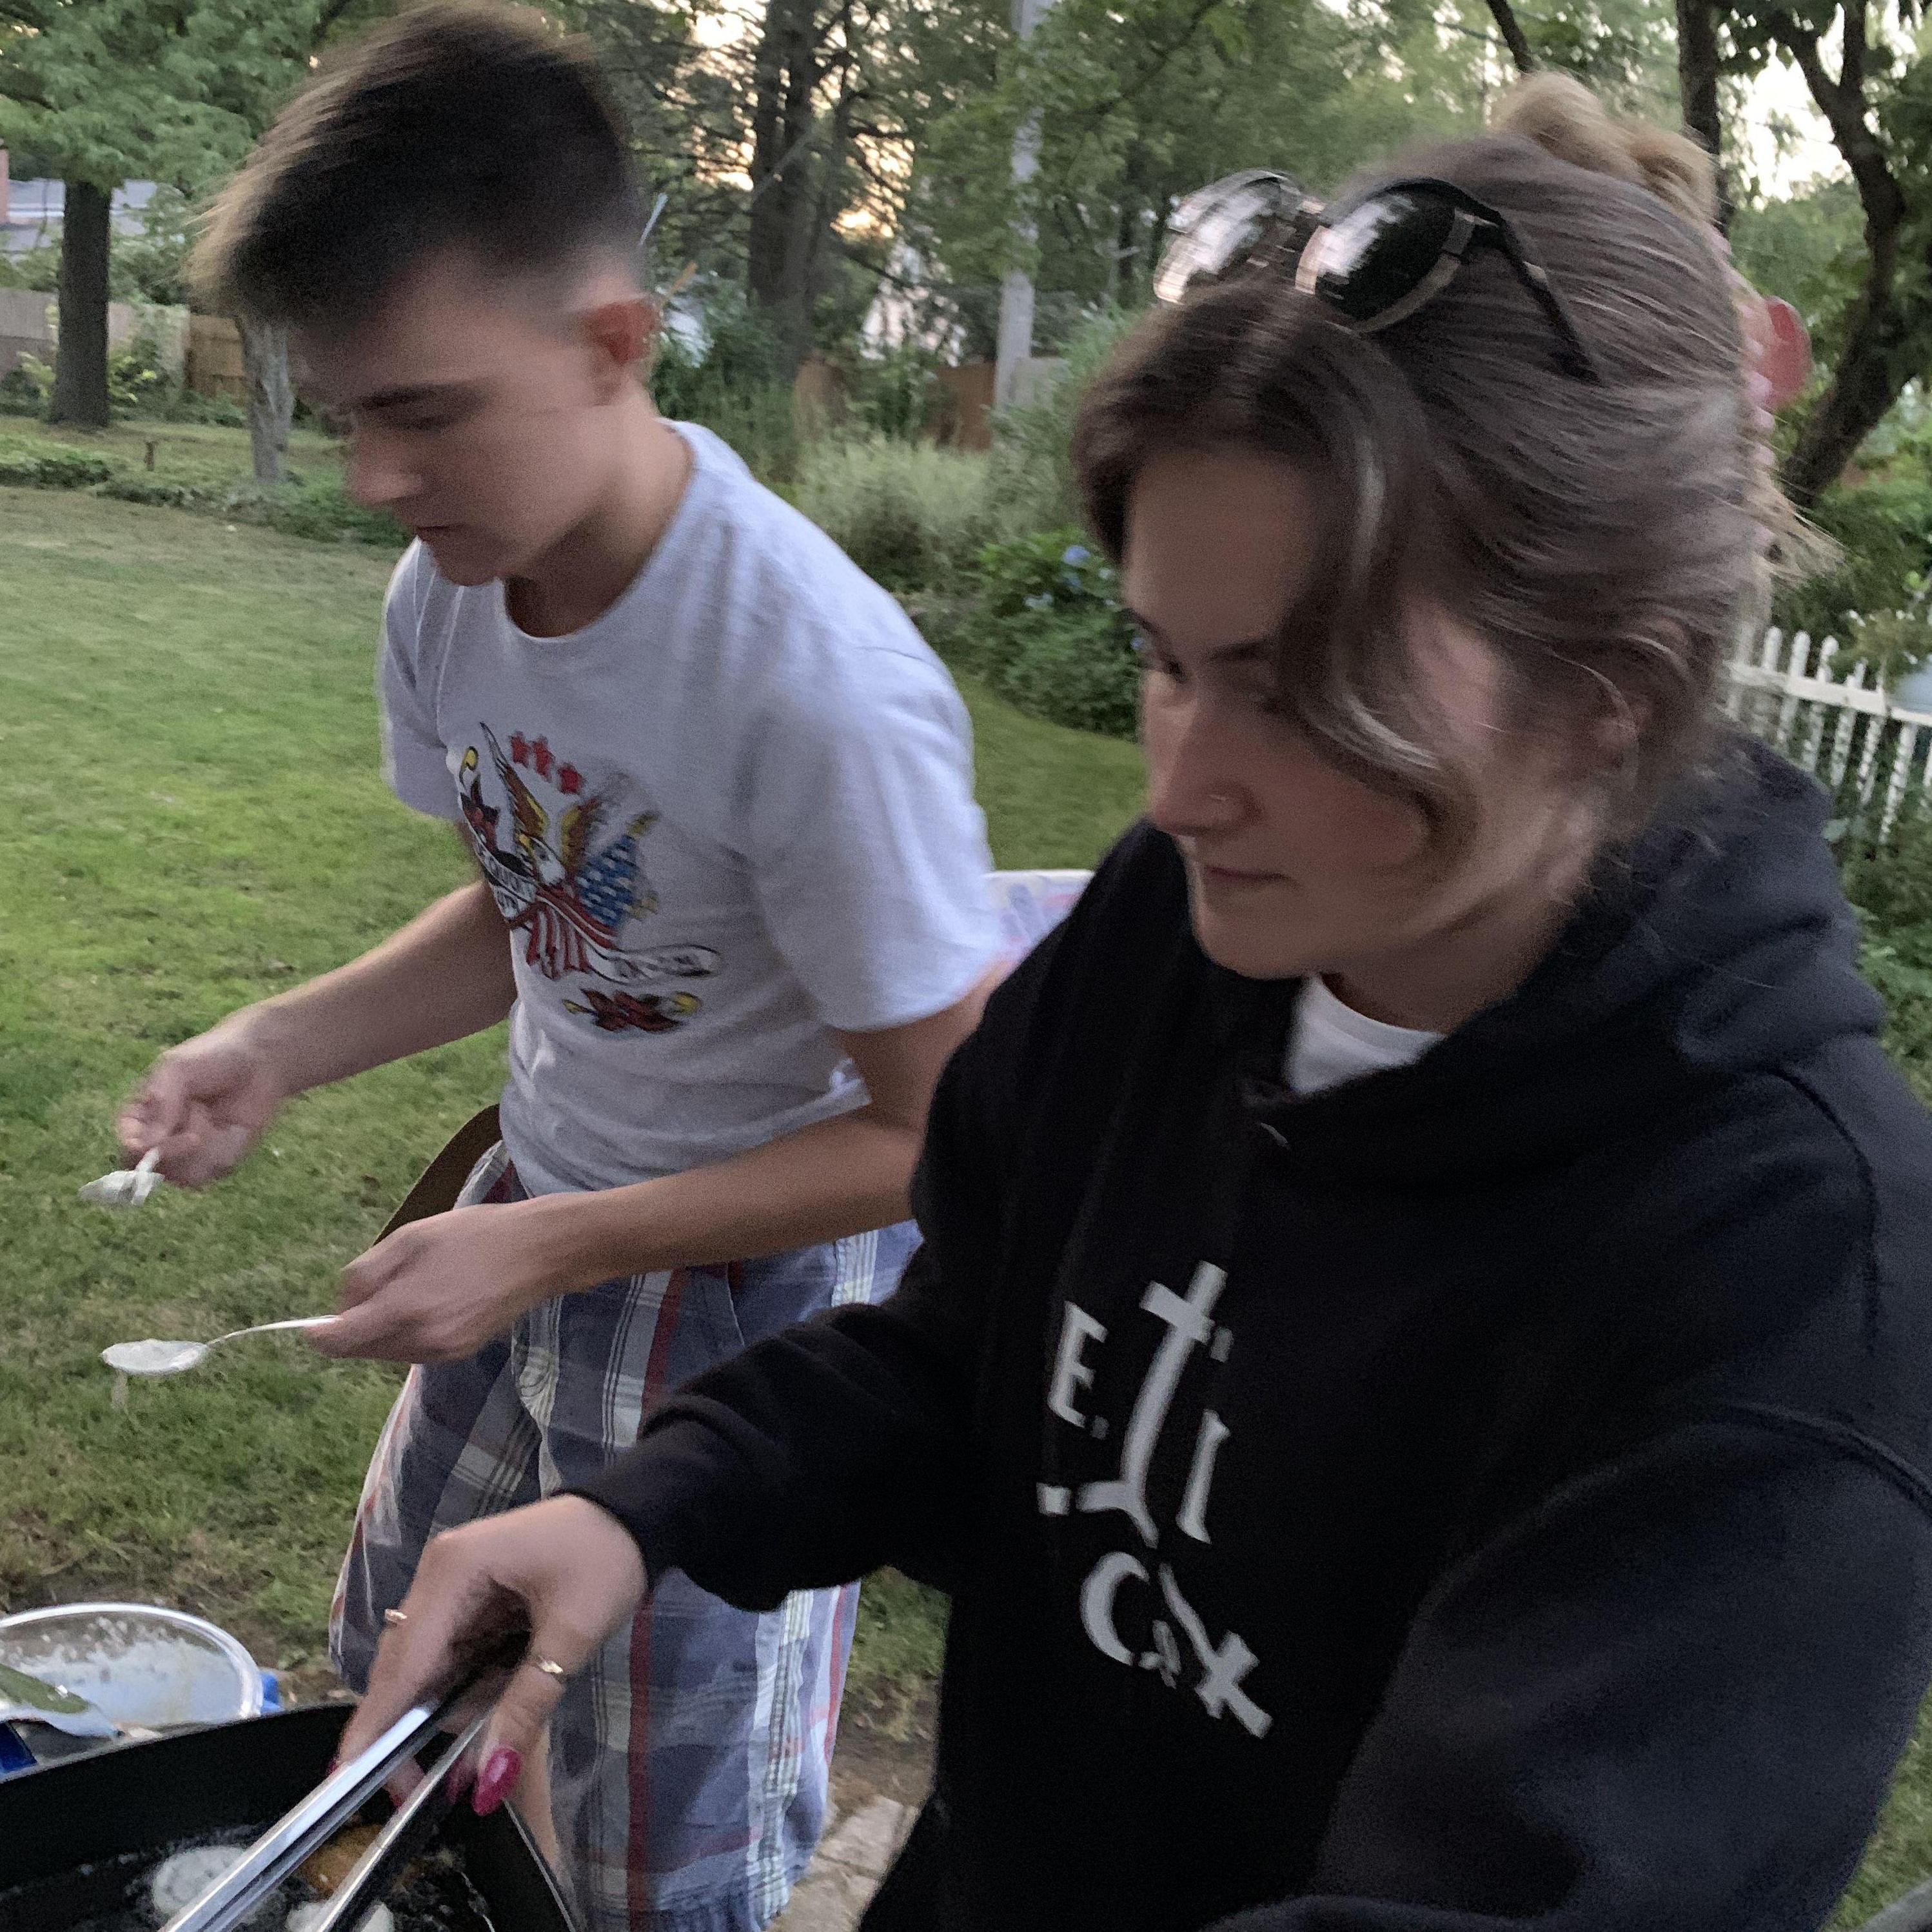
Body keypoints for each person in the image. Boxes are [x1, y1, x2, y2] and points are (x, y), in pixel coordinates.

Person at [336, 75, 1932, 1932]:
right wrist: (647, 1507)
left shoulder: (1787, 1275)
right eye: (1163, 664)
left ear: (1609, 686)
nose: (1180, 787)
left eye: (1291, 690)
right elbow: (964, 1356)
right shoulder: (1181, 937)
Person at [113, 6, 998, 1928]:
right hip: (543, 1203)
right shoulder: (449, 595)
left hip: (750, 1303)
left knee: (643, 1830)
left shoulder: (809, 688)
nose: (371, 476)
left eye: (421, 410)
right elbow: (534, 909)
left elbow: (943, 1136)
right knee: (405, 1673)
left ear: (611, 344)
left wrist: (555, 1243)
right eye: (350, 411)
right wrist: (285, 1037)